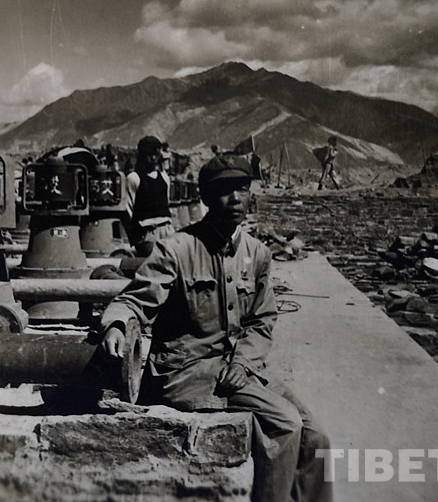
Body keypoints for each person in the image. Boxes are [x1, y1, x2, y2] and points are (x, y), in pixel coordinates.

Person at [101, 153, 331, 502]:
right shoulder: (176, 249)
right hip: (188, 372)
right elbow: (135, 300)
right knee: (285, 425)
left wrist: (243, 362)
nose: (235, 198)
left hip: (238, 369)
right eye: (225, 190)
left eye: (242, 188)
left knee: (317, 438)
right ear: (206, 197)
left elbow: (262, 319)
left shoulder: (257, 253)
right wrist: (117, 325)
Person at [124, 135, 174, 256]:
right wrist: (136, 239)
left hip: (167, 230)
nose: (153, 158)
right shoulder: (133, 178)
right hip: (147, 234)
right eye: (149, 154)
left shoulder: (165, 178)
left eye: (156, 154)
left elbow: (166, 205)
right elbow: (128, 211)